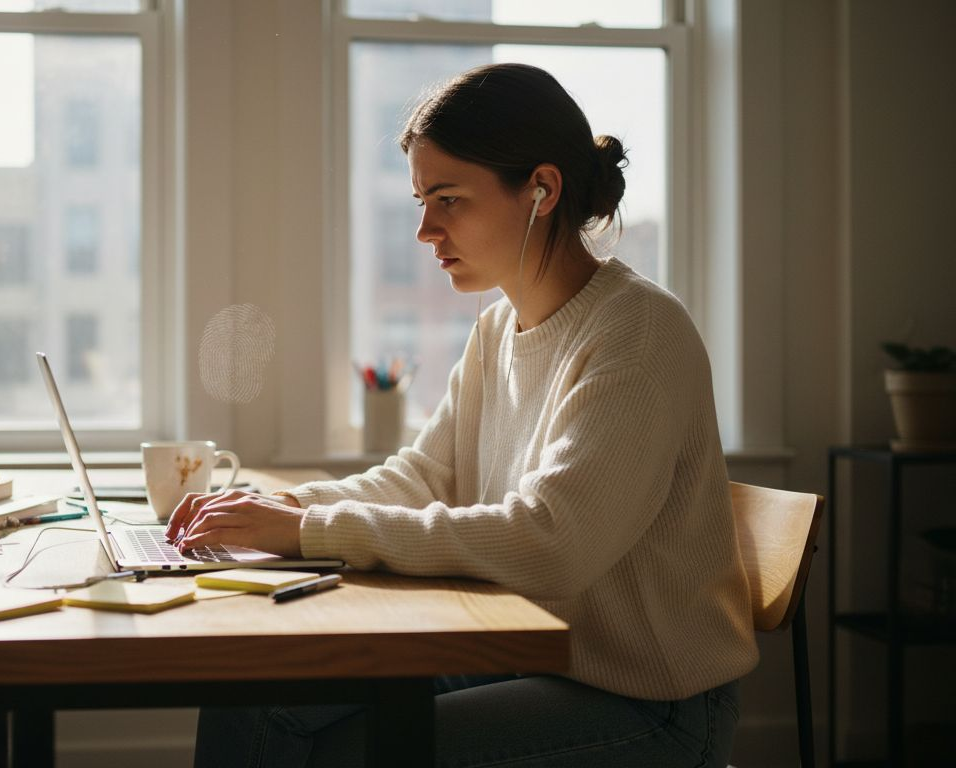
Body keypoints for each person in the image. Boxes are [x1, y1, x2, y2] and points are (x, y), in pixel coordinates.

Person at [165, 63, 758, 767]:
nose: (423, 230)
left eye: (448, 199)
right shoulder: (496, 330)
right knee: (252, 694)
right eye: (421, 199)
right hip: (528, 654)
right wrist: (287, 507)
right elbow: (426, 476)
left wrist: (311, 529)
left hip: (650, 705)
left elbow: (552, 543)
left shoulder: (639, 333)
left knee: (356, 752)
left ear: (542, 190)